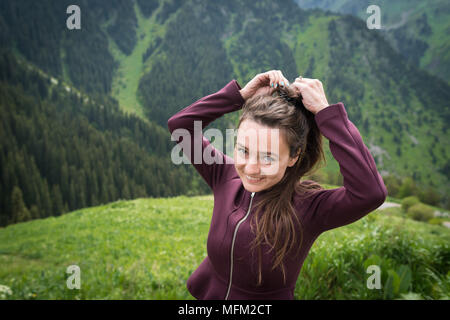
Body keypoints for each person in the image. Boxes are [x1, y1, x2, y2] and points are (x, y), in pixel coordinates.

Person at [167, 70, 388, 300]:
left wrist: (326, 113)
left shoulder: (309, 207)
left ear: (294, 157)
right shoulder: (224, 175)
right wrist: (240, 96)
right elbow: (181, 126)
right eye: (243, 151)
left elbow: (371, 192)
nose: (251, 169)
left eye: (268, 157)